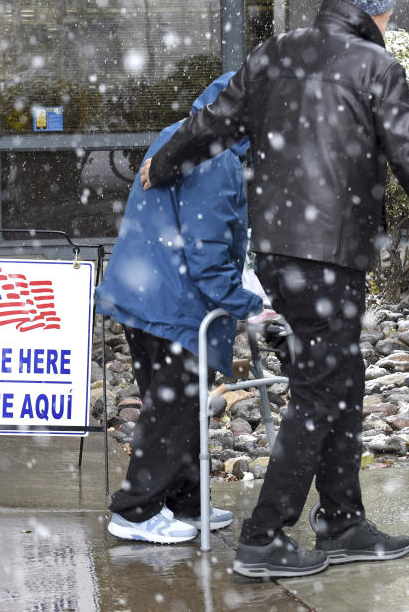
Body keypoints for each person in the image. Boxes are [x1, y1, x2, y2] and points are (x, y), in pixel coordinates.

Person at [139, 0, 409, 577]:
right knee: (321, 389)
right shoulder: (376, 66)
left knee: (340, 378)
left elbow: (212, 124)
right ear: (378, 13)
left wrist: (164, 162)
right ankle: (263, 534)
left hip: (278, 253)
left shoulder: (276, 53)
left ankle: (342, 519)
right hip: (330, 256)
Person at [95, 72, 263, 544]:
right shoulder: (219, 160)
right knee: (174, 411)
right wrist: (251, 304)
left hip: (145, 295)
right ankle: (136, 511)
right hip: (177, 307)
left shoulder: (176, 136)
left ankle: (182, 501)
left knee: (174, 406)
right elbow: (208, 256)